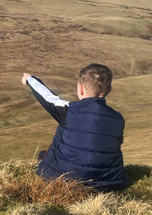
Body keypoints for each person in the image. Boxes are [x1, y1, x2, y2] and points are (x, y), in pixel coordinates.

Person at [22, 63, 127, 191]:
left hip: (66, 180)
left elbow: (48, 98)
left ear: (81, 88)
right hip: (110, 183)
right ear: (109, 89)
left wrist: (30, 79)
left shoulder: (69, 110)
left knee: (43, 155)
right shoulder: (118, 118)